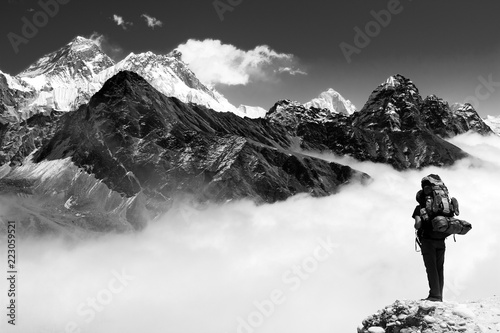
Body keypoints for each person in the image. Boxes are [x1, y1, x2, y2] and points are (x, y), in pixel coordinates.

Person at [412, 189, 449, 302]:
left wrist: (417, 223)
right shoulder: (440, 208)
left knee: (431, 268)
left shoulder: (419, 208)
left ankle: (434, 295)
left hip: (428, 241)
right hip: (441, 240)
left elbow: (418, 224)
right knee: (439, 268)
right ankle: (439, 295)